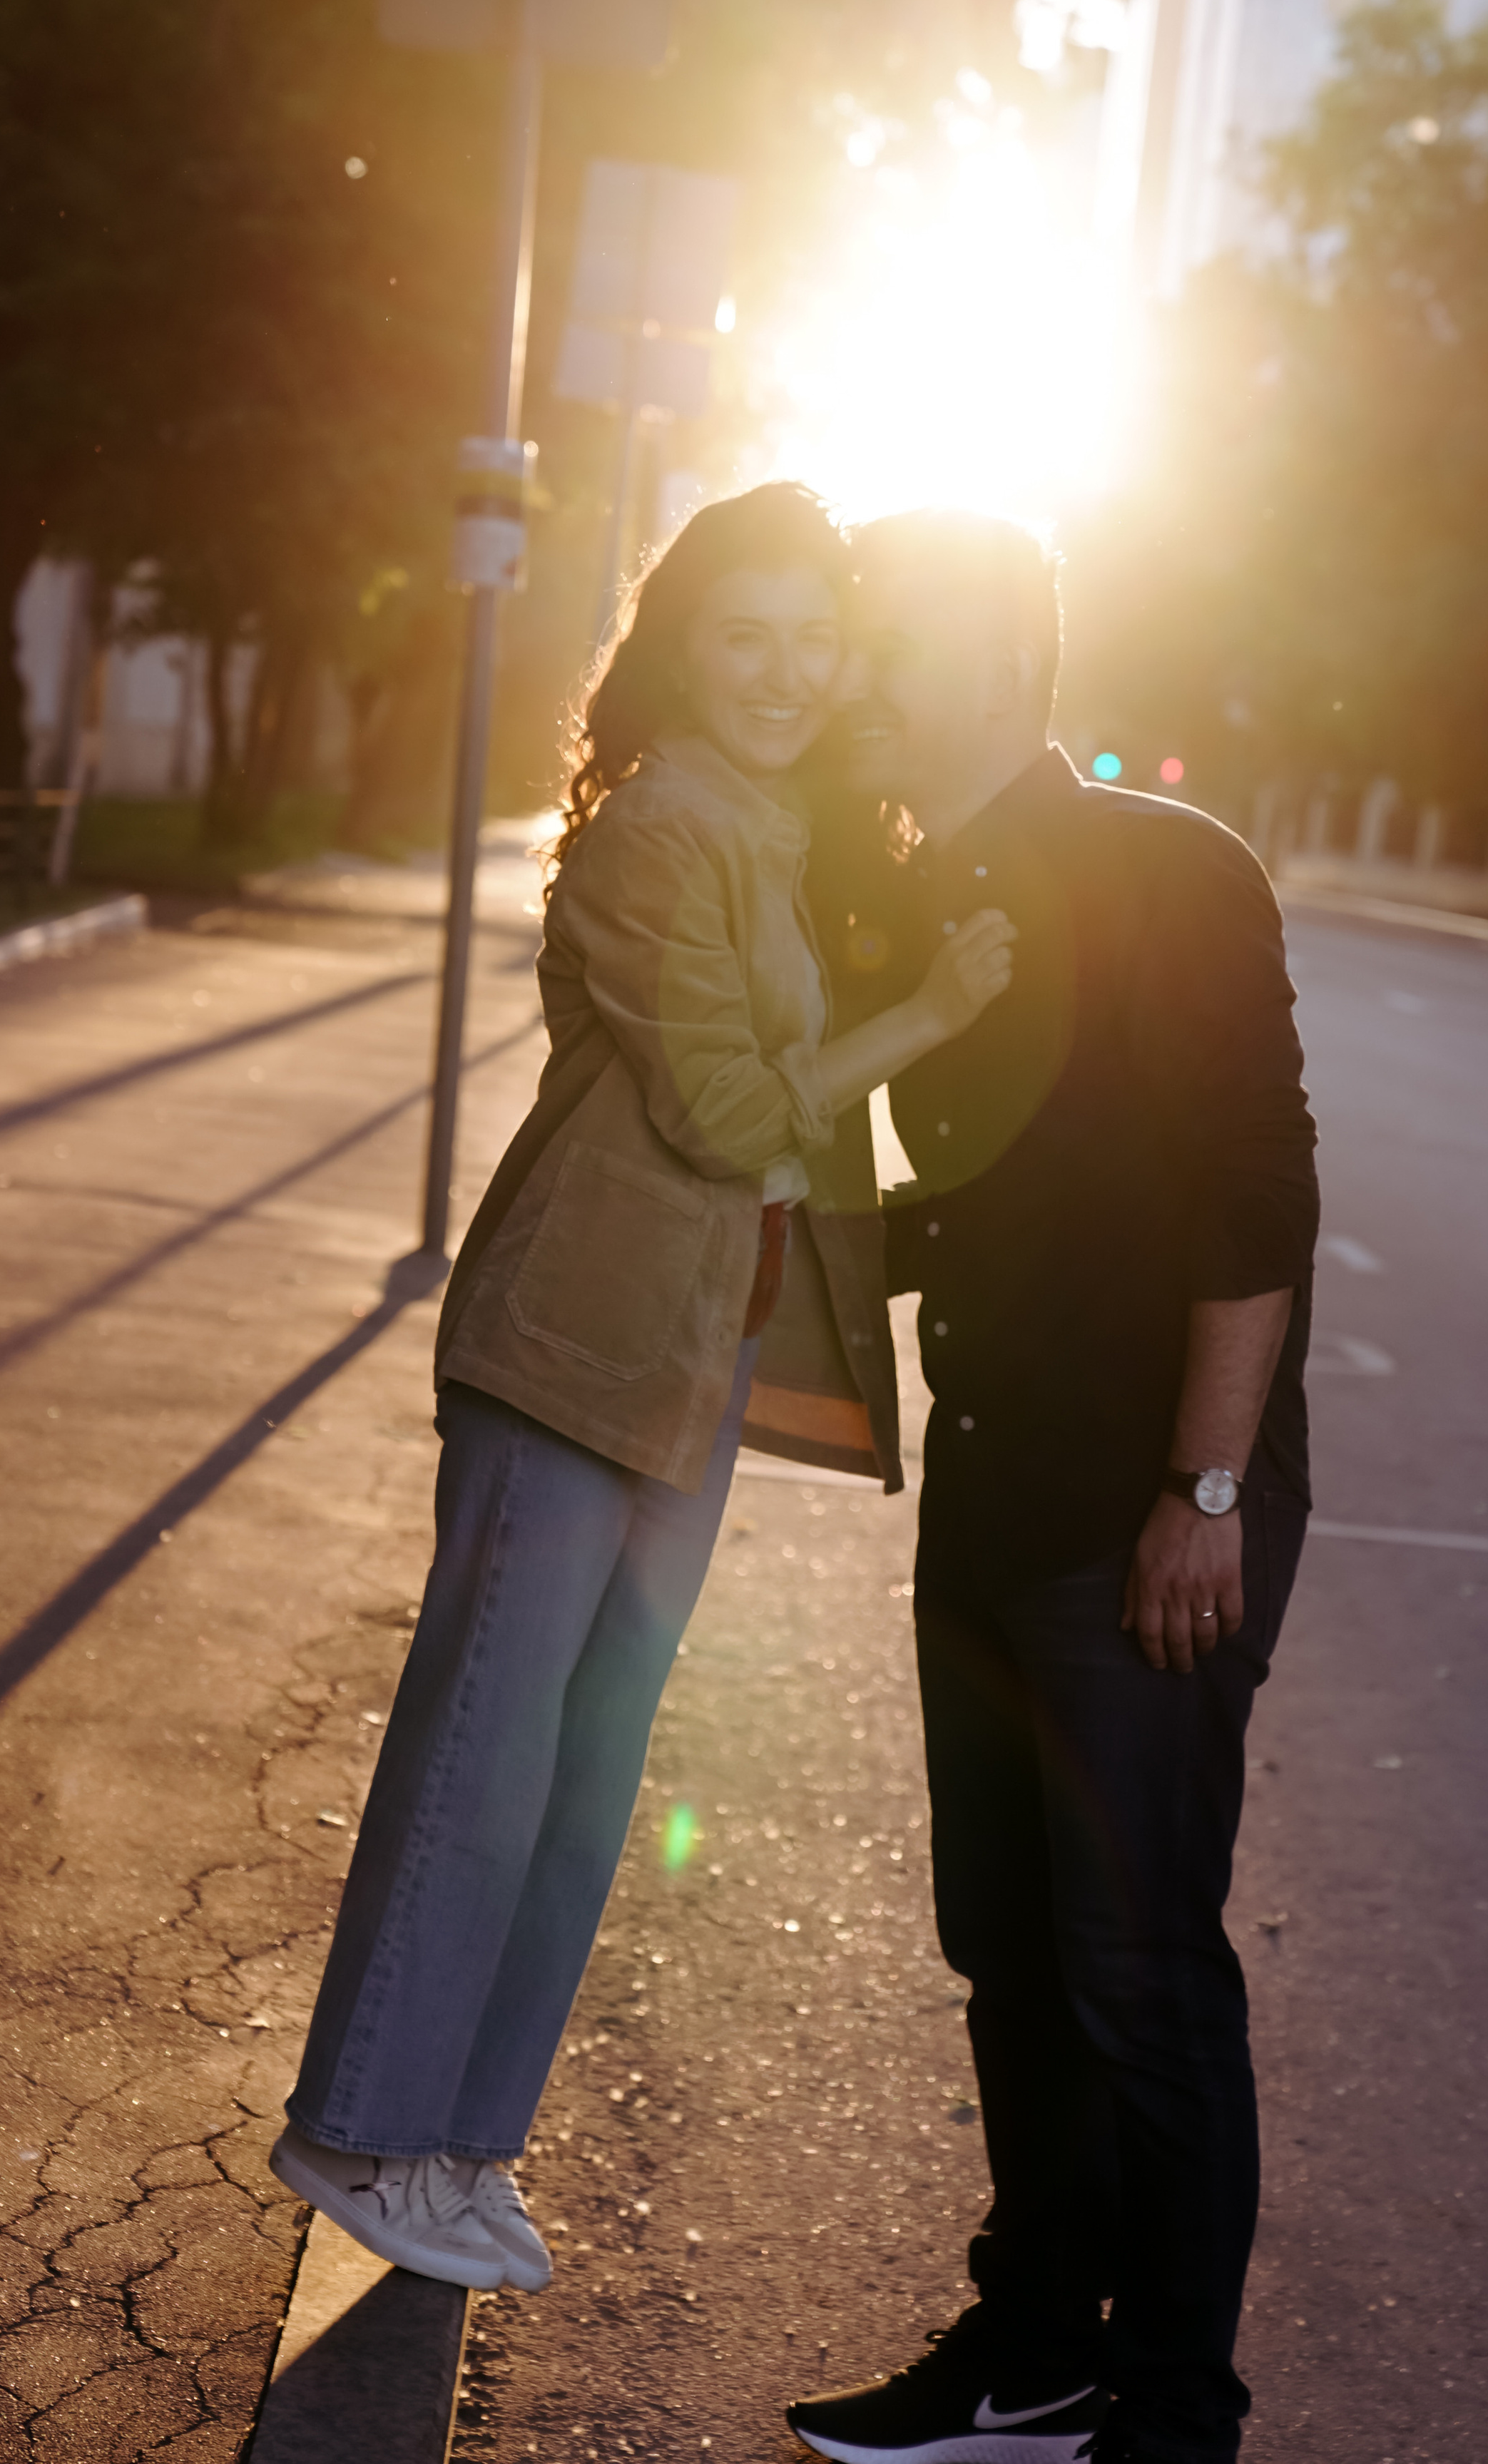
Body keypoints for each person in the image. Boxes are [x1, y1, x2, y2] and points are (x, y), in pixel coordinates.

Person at [272, 484, 1014, 2291]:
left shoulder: (780, 829)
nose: (778, 672)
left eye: (808, 639)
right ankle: (357, 2130)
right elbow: (733, 1118)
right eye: (740, 635)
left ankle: (459, 2143)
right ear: (682, 647)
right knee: (485, 1756)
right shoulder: (662, 837)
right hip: (568, 1347)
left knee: (589, 1775)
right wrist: (924, 1022)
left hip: (691, 1354)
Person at [786, 512, 1320, 2464]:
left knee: (1137, 1957)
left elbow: (1256, 1185)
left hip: (1142, 1504)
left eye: (891, 641)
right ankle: (1033, 2346)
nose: (861, 679)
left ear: (1012, 655)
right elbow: (987, 1191)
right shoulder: (925, 888)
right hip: (993, 1484)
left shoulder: (1170, 871)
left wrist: (1209, 1482)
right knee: (1003, 1938)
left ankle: (1176, 2401)